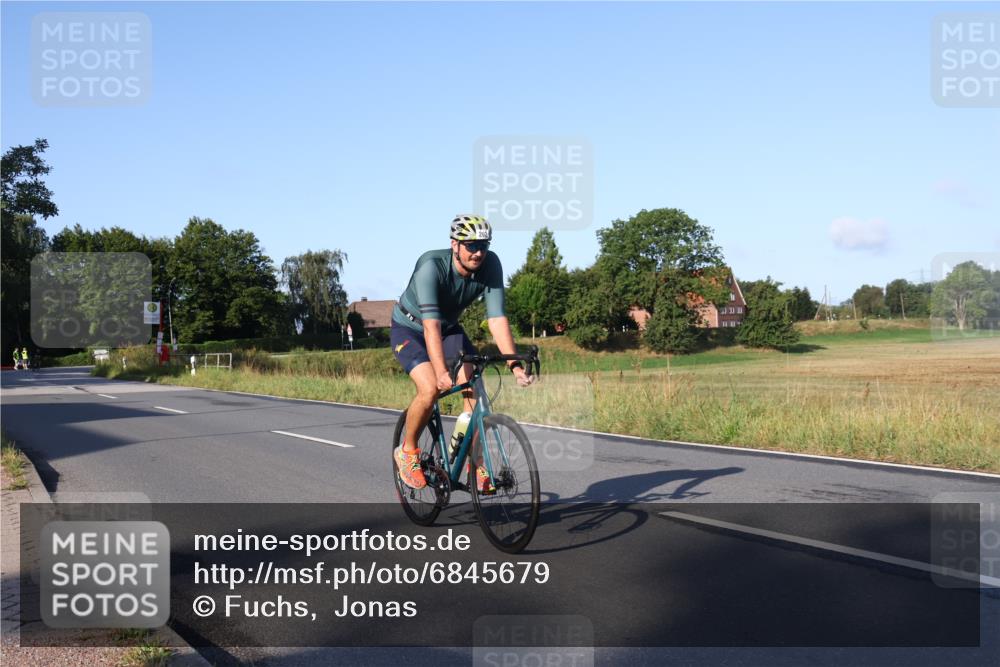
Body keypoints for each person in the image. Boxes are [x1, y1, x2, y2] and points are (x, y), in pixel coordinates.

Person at [392, 215, 535, 492]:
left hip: (448, 329)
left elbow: (496, 319)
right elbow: (430, 326)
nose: (478, 252)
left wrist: (515, 366)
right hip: (410, 328)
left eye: (483, 245)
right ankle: (407, 451)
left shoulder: (490, 264)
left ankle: (475, 463)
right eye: (471, 245)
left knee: (473, 394)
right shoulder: (432, 267)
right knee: (430, 388)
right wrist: (441, 371)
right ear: (454, 245)